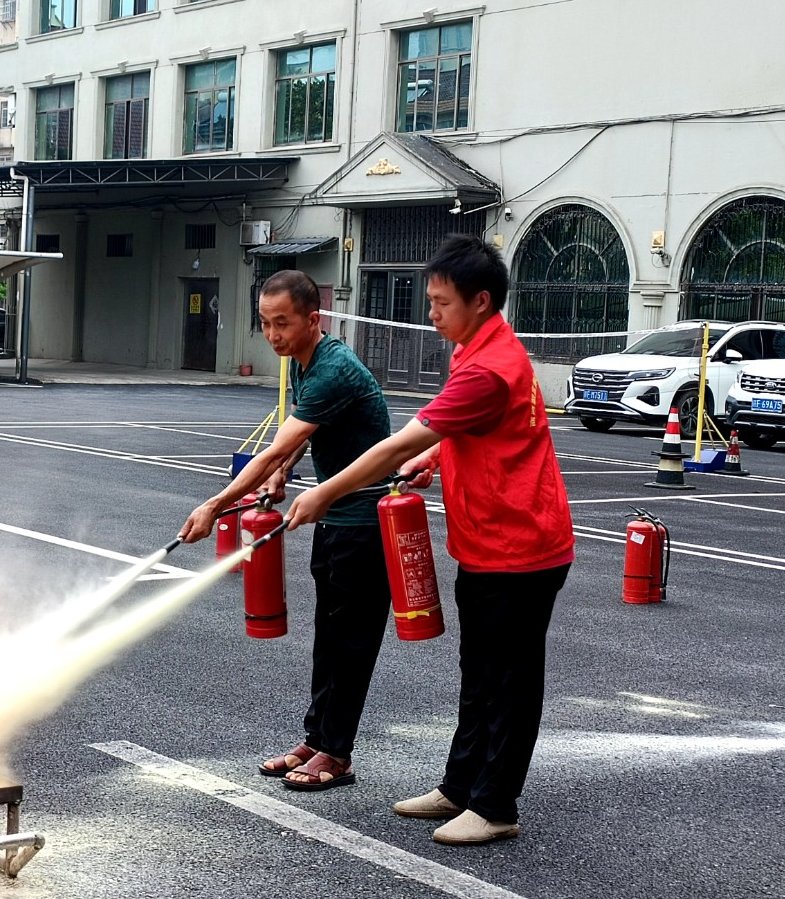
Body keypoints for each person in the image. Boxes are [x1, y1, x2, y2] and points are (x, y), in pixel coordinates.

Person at [286, 233, 574, 846]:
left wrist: (324, 493)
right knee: (478, 670)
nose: (432, 314)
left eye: (442, 303)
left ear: (482, 301)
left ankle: (496, 804)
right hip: (485, 541)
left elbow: (394, 446)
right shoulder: (474, 347)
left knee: (510, 679)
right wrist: (443, 454)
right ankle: (460, 786)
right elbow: (471, 431)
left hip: (521, 548)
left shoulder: (491, 368)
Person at [180, 270, 394, 792]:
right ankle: (317, 738)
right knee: (328, 640)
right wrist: (281, 476)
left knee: (350, 646)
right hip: (334, 523)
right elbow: (298, 439)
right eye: (265, 323)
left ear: (312, 319)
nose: (272, 334)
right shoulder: (304, 362)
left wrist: (216, 504)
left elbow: (277, 443)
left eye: (283, 323)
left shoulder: (333, 370)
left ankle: (336, 754)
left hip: (365, 526)